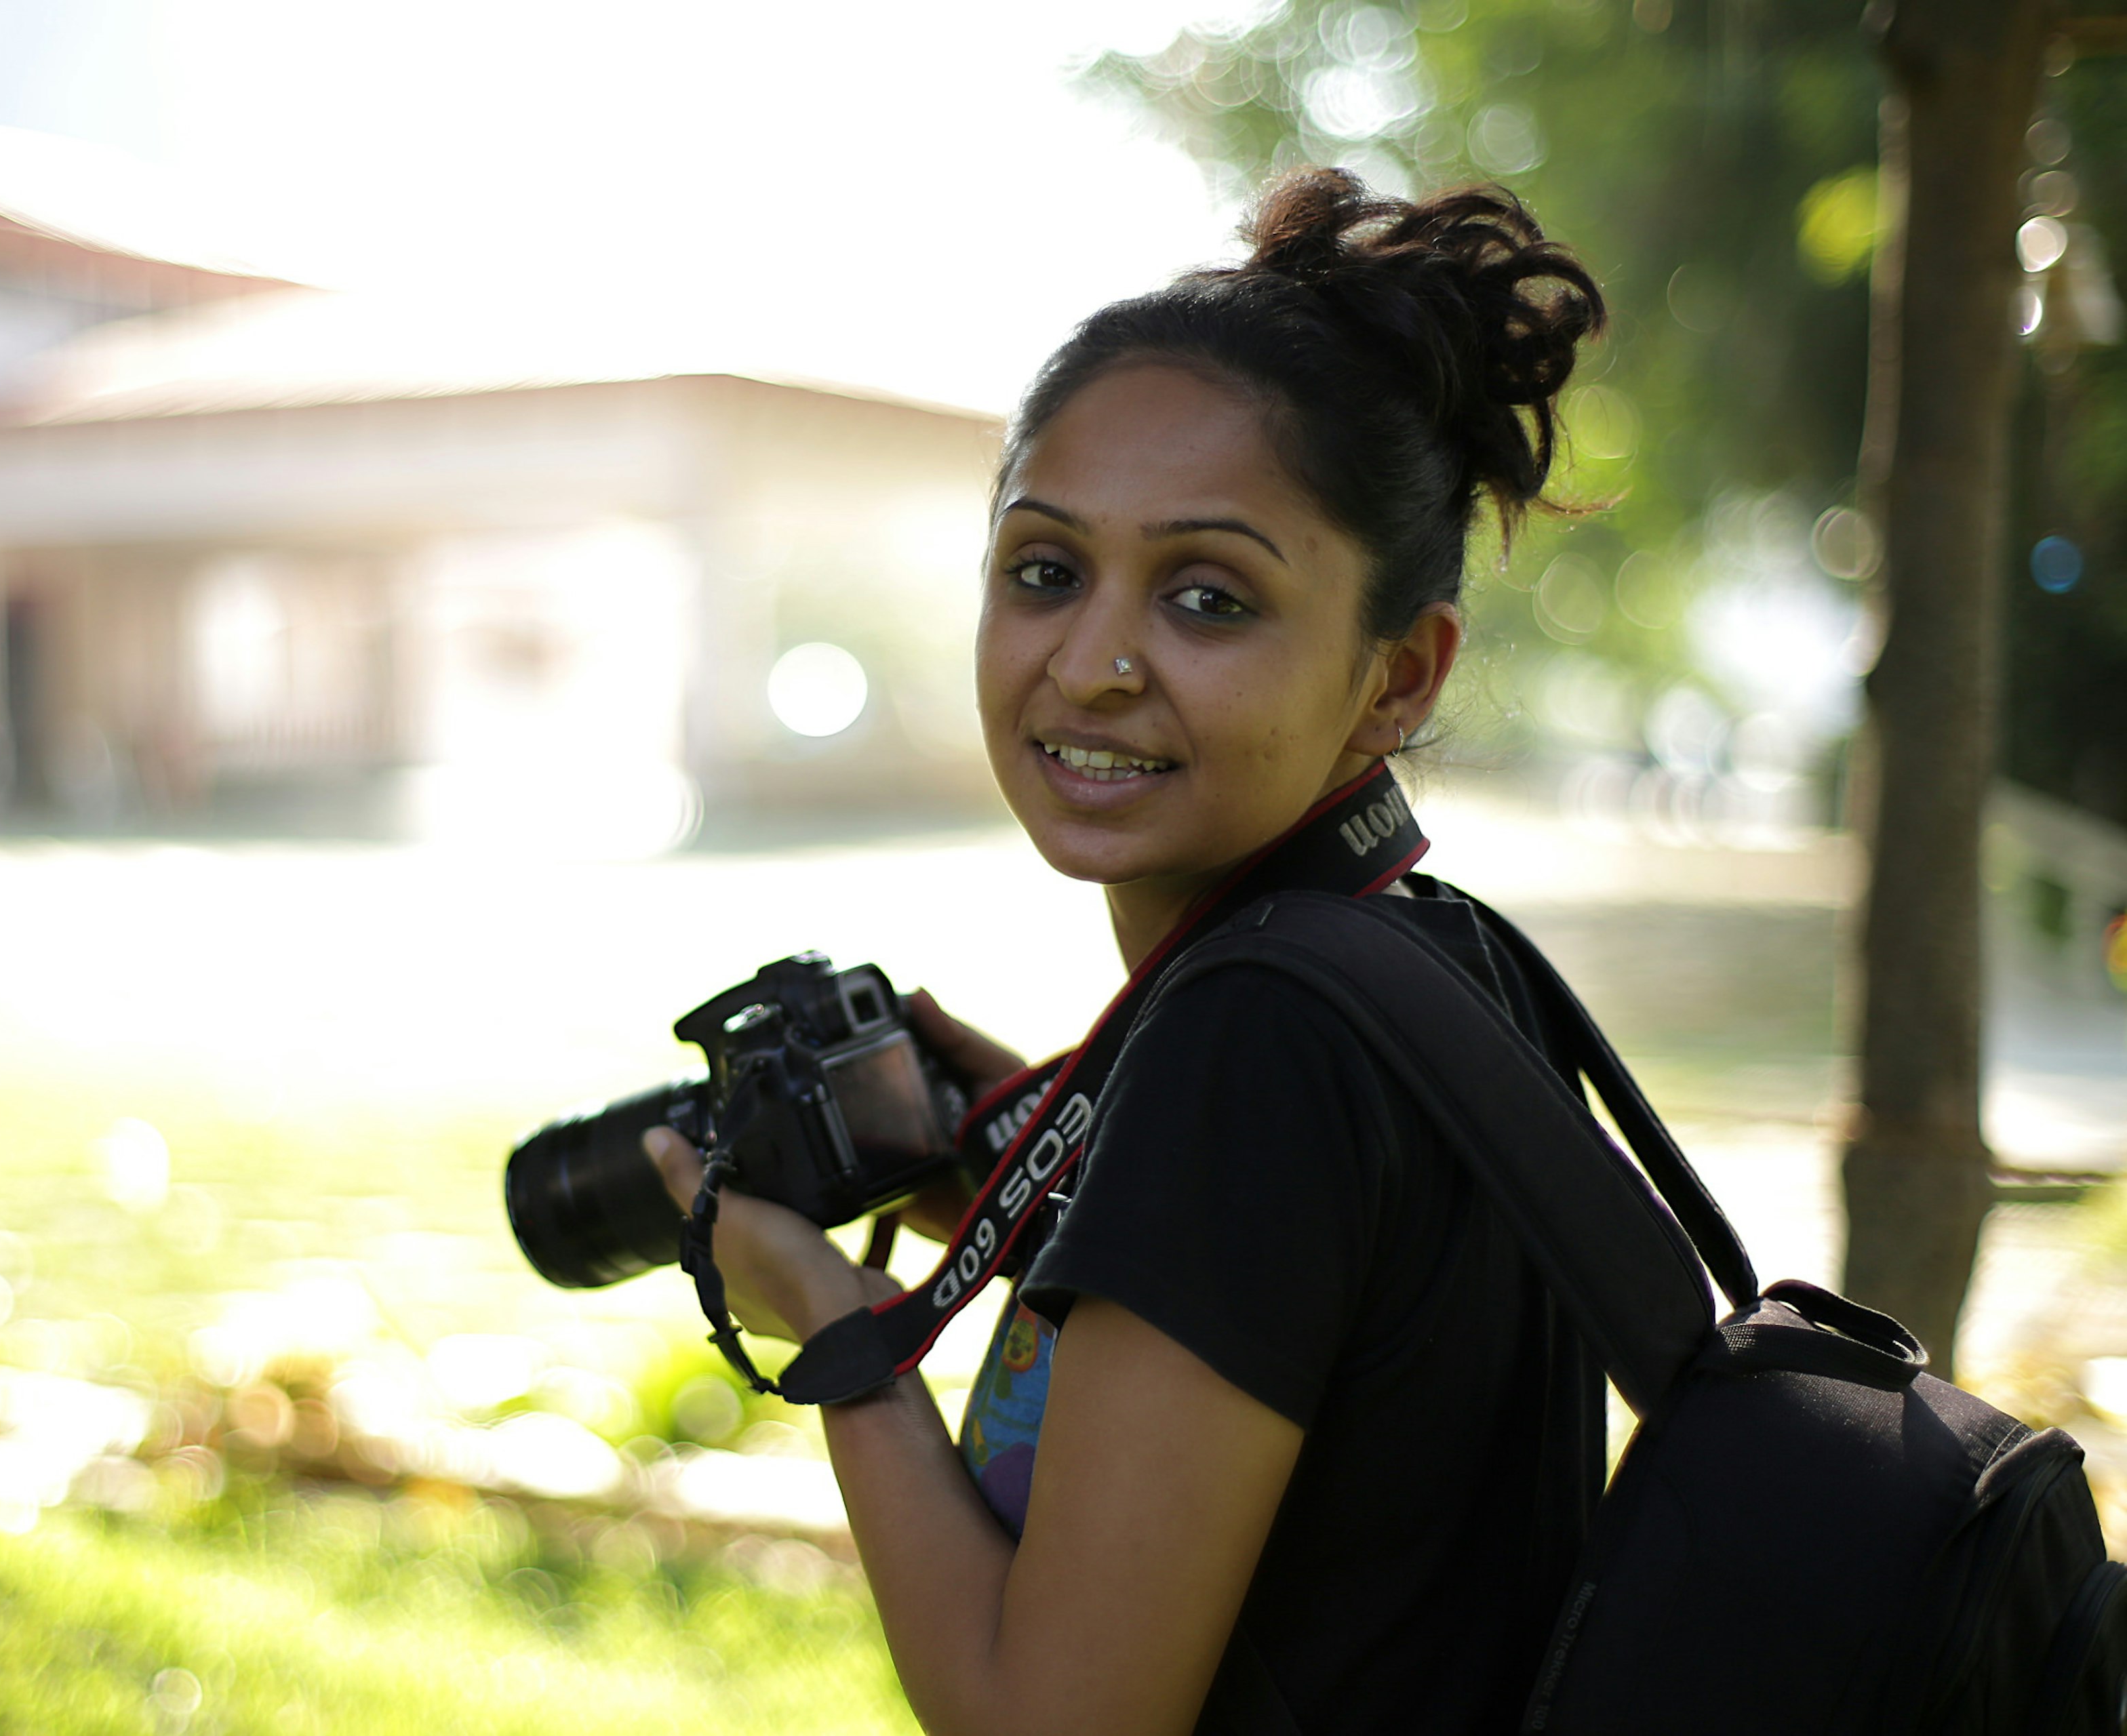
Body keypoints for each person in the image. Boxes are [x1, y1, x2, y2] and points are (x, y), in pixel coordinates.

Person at [646, 166, 1610, 1736]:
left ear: (1395, 679)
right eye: (1044, 570)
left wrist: (828, 1317)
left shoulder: (1255, 1048)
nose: (1091, 664)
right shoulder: (1433, 961)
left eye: (1209, 597)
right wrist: (1037, 1167)